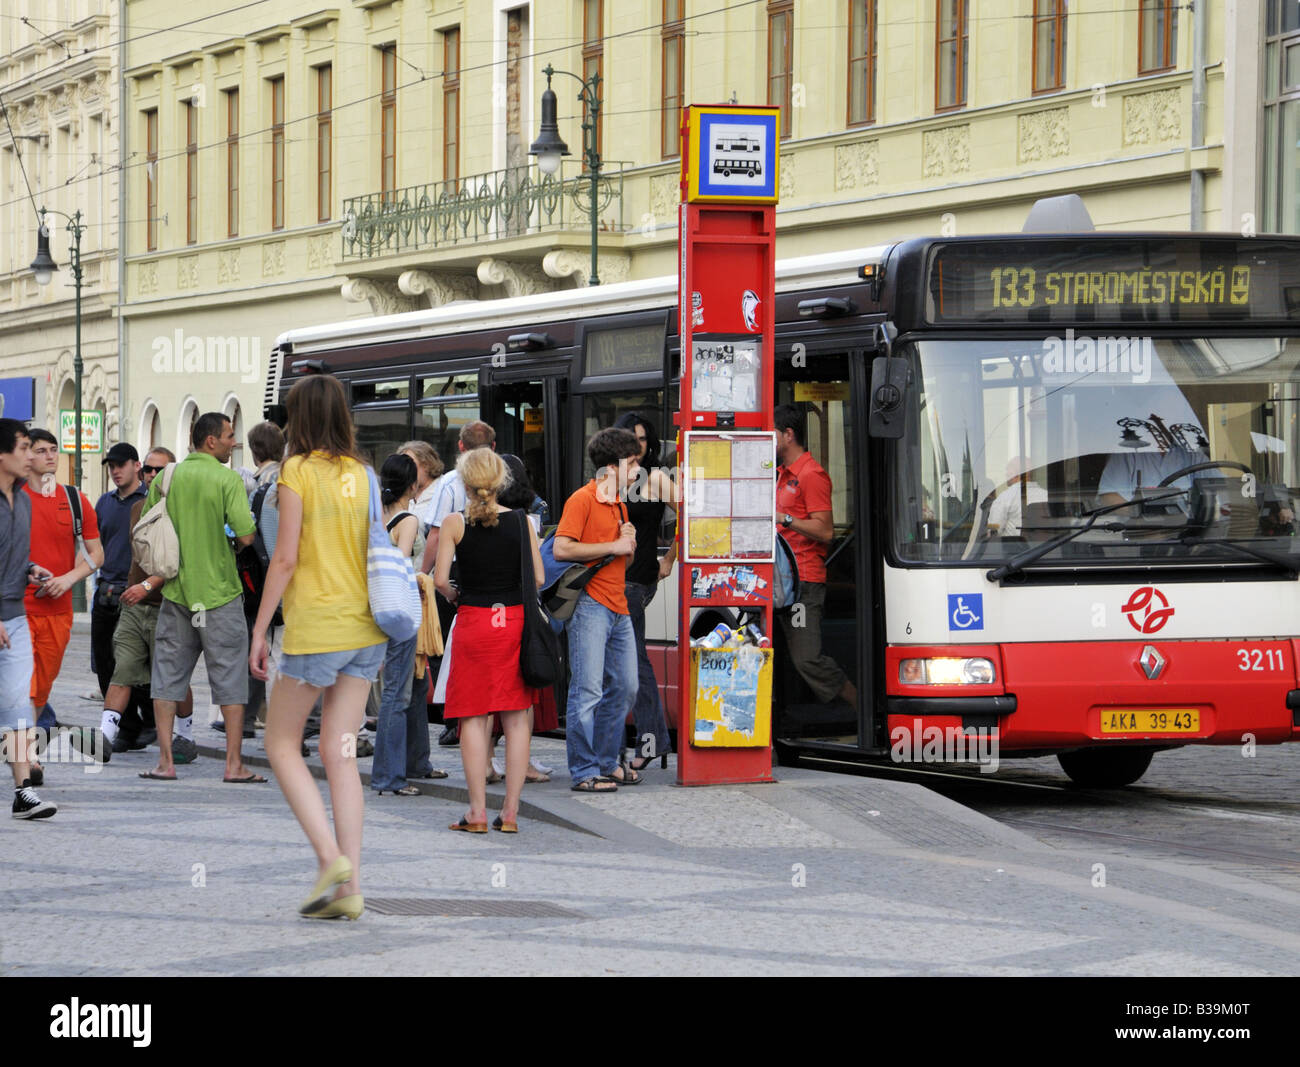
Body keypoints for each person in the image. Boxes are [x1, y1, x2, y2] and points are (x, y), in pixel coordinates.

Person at [250, 374, 389, 919]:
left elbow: (284, 559)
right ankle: (349, 889)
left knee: (282, 744)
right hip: (366, 631)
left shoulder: (295, 471)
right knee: (343, 753)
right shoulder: (364, 473)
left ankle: (330, 859)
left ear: (297, 418)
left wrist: (261, 630)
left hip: (317, 630)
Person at [139, 413, 261, 783]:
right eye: (228, 436)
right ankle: (233, 765)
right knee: (230, 679)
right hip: (219, 594)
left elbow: (145, 526)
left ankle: (165, 762)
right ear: (211, 441)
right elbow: (245, 536)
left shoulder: (167, 476)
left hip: (177, 593)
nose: (233, 442)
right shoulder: (226, 479)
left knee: (167, 677)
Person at [434, 447, 544, 832]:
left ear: (465, 482)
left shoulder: (454, 523)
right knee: (516, 718)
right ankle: (510, 814)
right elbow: (540, 579)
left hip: (474, 624)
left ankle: (477, 812)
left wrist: (455, 594)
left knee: (474, 719)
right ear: (500, 482)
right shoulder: (522, 523)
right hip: (512, 623)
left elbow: (439, 580)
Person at [554, 427, 642, 792]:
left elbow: (621, 557)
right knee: (587, 690)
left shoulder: (620, 502)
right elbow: (562, 549)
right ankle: (585, 770)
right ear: (611, 466)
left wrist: (628, 544)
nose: (639, 471)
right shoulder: (583, 499)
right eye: (633, 463)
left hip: (618, 605)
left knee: (626, 687)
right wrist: (614, 545)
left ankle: (607, 761)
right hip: (590, 604)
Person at [101, 448, 198, 762]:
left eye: (160, 470)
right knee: (123, 670)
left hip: (167, 605)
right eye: (149, 471)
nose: (152, 476)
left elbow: (179, 562)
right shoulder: (139, 507)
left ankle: (186, 735)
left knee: (172, 678)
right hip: (133, 603)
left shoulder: (185, 511)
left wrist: (147, 586)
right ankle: (104, 737)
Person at [23, 428, 105, 775]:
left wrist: (68, 580)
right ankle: (27, 759)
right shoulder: (12, 498)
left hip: (58, 610)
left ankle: (24, 748)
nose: (50, 456)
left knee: (42, 686)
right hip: (18, 608)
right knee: (23, 684)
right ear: (27, 456)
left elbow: (96, 554)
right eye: (41, 451)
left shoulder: (75, 499)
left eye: (54, 449)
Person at [371, 452, 445, 795]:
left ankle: (418, 761)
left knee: (416, 685)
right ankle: (389, 776)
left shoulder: (375, 515)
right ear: (412, 485)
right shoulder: (409, 519)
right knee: (397, 693)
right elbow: (399, 563)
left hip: (379, 606)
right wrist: (420, 578)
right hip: (403, 609)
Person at [420, 420, 496, 749]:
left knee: (447, 652)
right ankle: (490, 722)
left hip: (455, 574)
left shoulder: (451, 483)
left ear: (461, 448)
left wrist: (422, 575)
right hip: (498, 578)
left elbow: (436, 536)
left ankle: (455, 720)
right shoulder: (504, 476)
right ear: (493, 447)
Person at [774, 404, 855, 707]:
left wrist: (785, 519)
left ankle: (862, 712)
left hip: (803, 582)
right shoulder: (781, 474)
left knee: (807, 659)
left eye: (771, 433)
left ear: (788, 435)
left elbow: (825, 531)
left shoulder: (812, 475)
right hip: (778, 582)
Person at [612, 412, 677, 771]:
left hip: (637, 581)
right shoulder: (610, 478)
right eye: (630, 439)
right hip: (610, 580)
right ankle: (635, 744)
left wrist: (669, 559)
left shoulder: (655, 478)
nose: (637, 446)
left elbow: (692, 516)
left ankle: (650, 741)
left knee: (634, 661)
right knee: (623, 662)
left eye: (642, 439)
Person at [0, 419, 57, 818]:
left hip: (15, 616)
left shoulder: (22, 499)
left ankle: (23, 793)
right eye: (23, 448)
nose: (31, 456)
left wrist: (29, 568)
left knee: (18, 704)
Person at [490, 454, 554, 784]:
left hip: (479, 617)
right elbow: (539, 577)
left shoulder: (462, 521)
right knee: (520, 699)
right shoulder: (524, 521)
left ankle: (485, 765)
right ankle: (522, 765)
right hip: (518, 615)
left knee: (484, 700)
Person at [90, 442, 149, 746]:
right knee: (104, 664)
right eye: (111, 466)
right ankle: (127, 726)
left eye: (120, 464)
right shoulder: (104, 503)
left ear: (136, 466)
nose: (115, 471)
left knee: (133, 664)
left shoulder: (150, 500)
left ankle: (142, 724)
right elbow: (95, 544)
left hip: (137, 595)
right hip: (106, 591)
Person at [235, 420, 286, 738]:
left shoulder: (253, 485)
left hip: (263, 581)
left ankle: (255, 716)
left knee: (262, 648)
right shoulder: (291, 477)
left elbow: (246, 536)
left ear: (255, 451)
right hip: (290, 582)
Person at [987, 457, 1048, 538]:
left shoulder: (1005, 498)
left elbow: (993, 531)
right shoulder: (1046, 495)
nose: (1006, 474)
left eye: (1008, 471)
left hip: (1015, 549)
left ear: (1017, 474)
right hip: (1048, 548)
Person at [399, 440, 444, 531]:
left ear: (426, 465)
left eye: (411, 464)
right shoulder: (401, 490)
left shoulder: (444, 490)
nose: (406, 469)